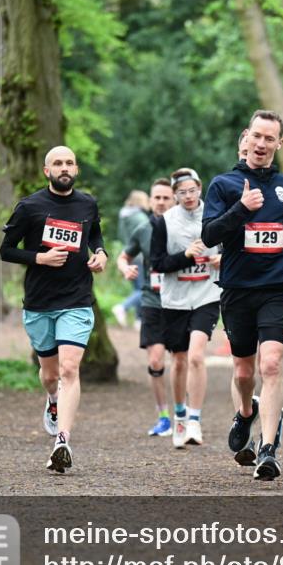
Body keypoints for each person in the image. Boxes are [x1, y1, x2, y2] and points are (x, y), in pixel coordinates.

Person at [202, 110, 283, 481]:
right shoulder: (223, 185)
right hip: (237, 289)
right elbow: (210, 235)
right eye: (258, 137)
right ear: (246, 138)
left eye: (270, 139)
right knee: (244, 370)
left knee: (271, 365)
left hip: (278, 288)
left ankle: (268, 449)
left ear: (279, 144)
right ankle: (246, 413)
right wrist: (240, 210)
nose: (262, 144)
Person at [0, 145, 107, 473]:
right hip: (40, 303)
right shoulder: (30, 207)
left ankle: (62, 440)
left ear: (76, 169)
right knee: (50, 375)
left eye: (69, 162)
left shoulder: (87, 203)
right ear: (47, 170)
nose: (64, 167)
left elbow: (96, 234)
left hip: (76, 301)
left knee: (69, 369)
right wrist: (39, 258)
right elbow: (5, 250)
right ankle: (53, 400)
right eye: (57, 163)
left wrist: (101, 253)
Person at [151, 168, 222, 449]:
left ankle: (195, 418)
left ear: (200, 189)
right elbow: (157, 263)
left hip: (207, 294)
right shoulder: (164, 222)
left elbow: (231, 247)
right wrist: (186, 256)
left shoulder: (216, 216)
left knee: (195, 356)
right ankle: (179, 414)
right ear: (175, 195)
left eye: (193, 190)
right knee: (178, 360)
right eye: (182, 192)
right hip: (175, 299)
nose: (189, 196)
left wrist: (221, 260)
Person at [116, 177, 175, 437]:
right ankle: (164, 416)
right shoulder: (142, 229)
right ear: (150, 202)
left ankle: (184, 414)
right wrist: (124, 267)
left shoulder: (185, 228)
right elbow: (124, 255)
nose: (161, 202)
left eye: (166, 198)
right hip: (152, 300)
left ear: (174, 200)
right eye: (157, 198)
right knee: (155, 360)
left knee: (184, 361)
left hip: (181, 302)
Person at [112, 190, 150, 328]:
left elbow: (122, 236)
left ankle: (138, 320)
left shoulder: (124, 215)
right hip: (140, 256)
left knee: (138, 288)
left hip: (127, 254)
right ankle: (122, 307)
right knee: (143, 289)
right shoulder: (140, 218)